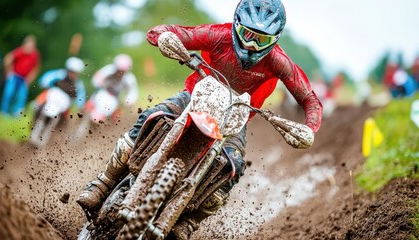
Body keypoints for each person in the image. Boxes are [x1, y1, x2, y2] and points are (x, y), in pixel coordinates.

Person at [77, 0, 323, 239]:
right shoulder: (218, 35)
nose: (250, 45)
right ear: (236, 25)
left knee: (233, 168)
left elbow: (310, 100)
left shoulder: (280, 63)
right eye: (247, 34)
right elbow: (166, 31)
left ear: (275, 39)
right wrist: (163, 36)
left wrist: (310, 127)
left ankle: (189, 222)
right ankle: (104, 181)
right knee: (150, 117)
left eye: (261, 39)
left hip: (235, 116)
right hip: (194, 95)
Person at [0, 35, 41, 116]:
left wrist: (30, 78)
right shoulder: (21, 51)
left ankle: (17, 115)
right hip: (15, 76)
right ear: (25, 44)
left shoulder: (35, 55)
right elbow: (8, 59)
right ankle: (3, 112)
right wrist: (8, 71)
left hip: (24, 79)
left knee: (21, 97)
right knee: (9, 93)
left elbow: (36, 68)